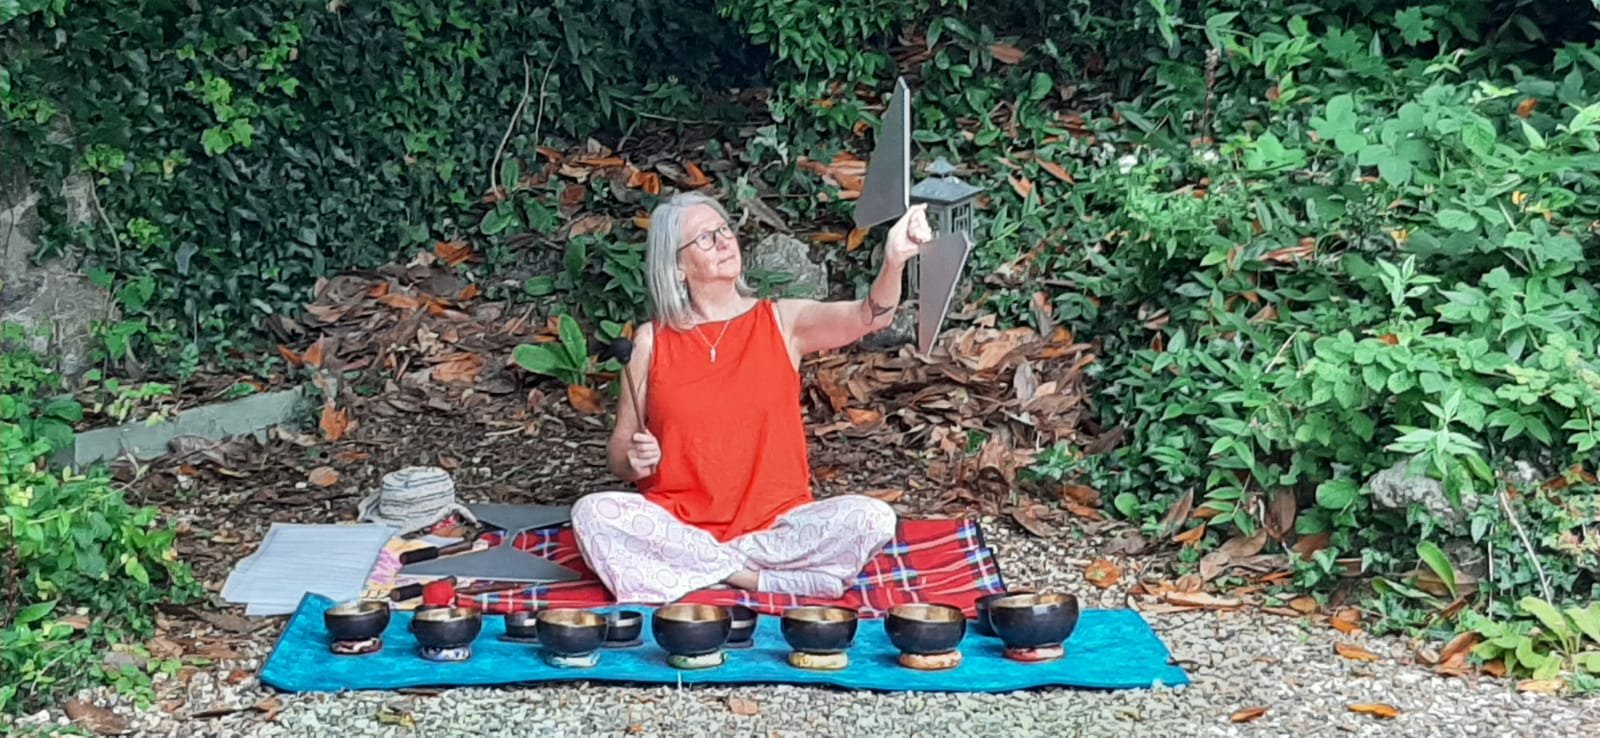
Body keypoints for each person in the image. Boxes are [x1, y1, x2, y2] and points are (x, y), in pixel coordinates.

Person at [570, 190, 932, 603]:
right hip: (680, 526)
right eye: (705, 239)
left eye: (724, 230)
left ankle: (700, 573)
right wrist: (633, 460)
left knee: (872, 519)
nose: (725, 241)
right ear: (676, 267)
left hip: (776, 529)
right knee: (592, 514)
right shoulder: (651, 342)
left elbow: (870, 316)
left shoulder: (782, 321)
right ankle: (756, 579)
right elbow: (620, 453)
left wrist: (895, 260)